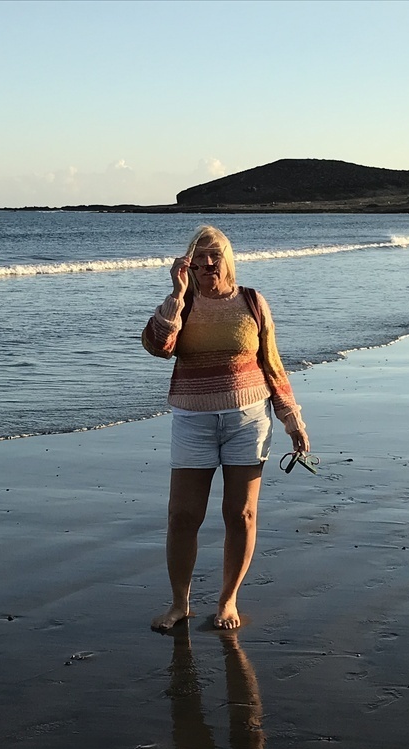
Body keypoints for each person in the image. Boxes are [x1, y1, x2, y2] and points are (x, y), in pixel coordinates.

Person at [143, 225, 311, 631]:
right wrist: (177, 296)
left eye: (213, 256)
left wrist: (292, 419)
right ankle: (179, 603)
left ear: (227, 258)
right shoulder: (181, 305)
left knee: (241, 515)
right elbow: (156, 347)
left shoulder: (252, 302)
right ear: (187, 263)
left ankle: (228, 601)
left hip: (248, 420)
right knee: (182, 516)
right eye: (197, 258)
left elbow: (272, 364)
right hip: (192, 421)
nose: (205, 264)